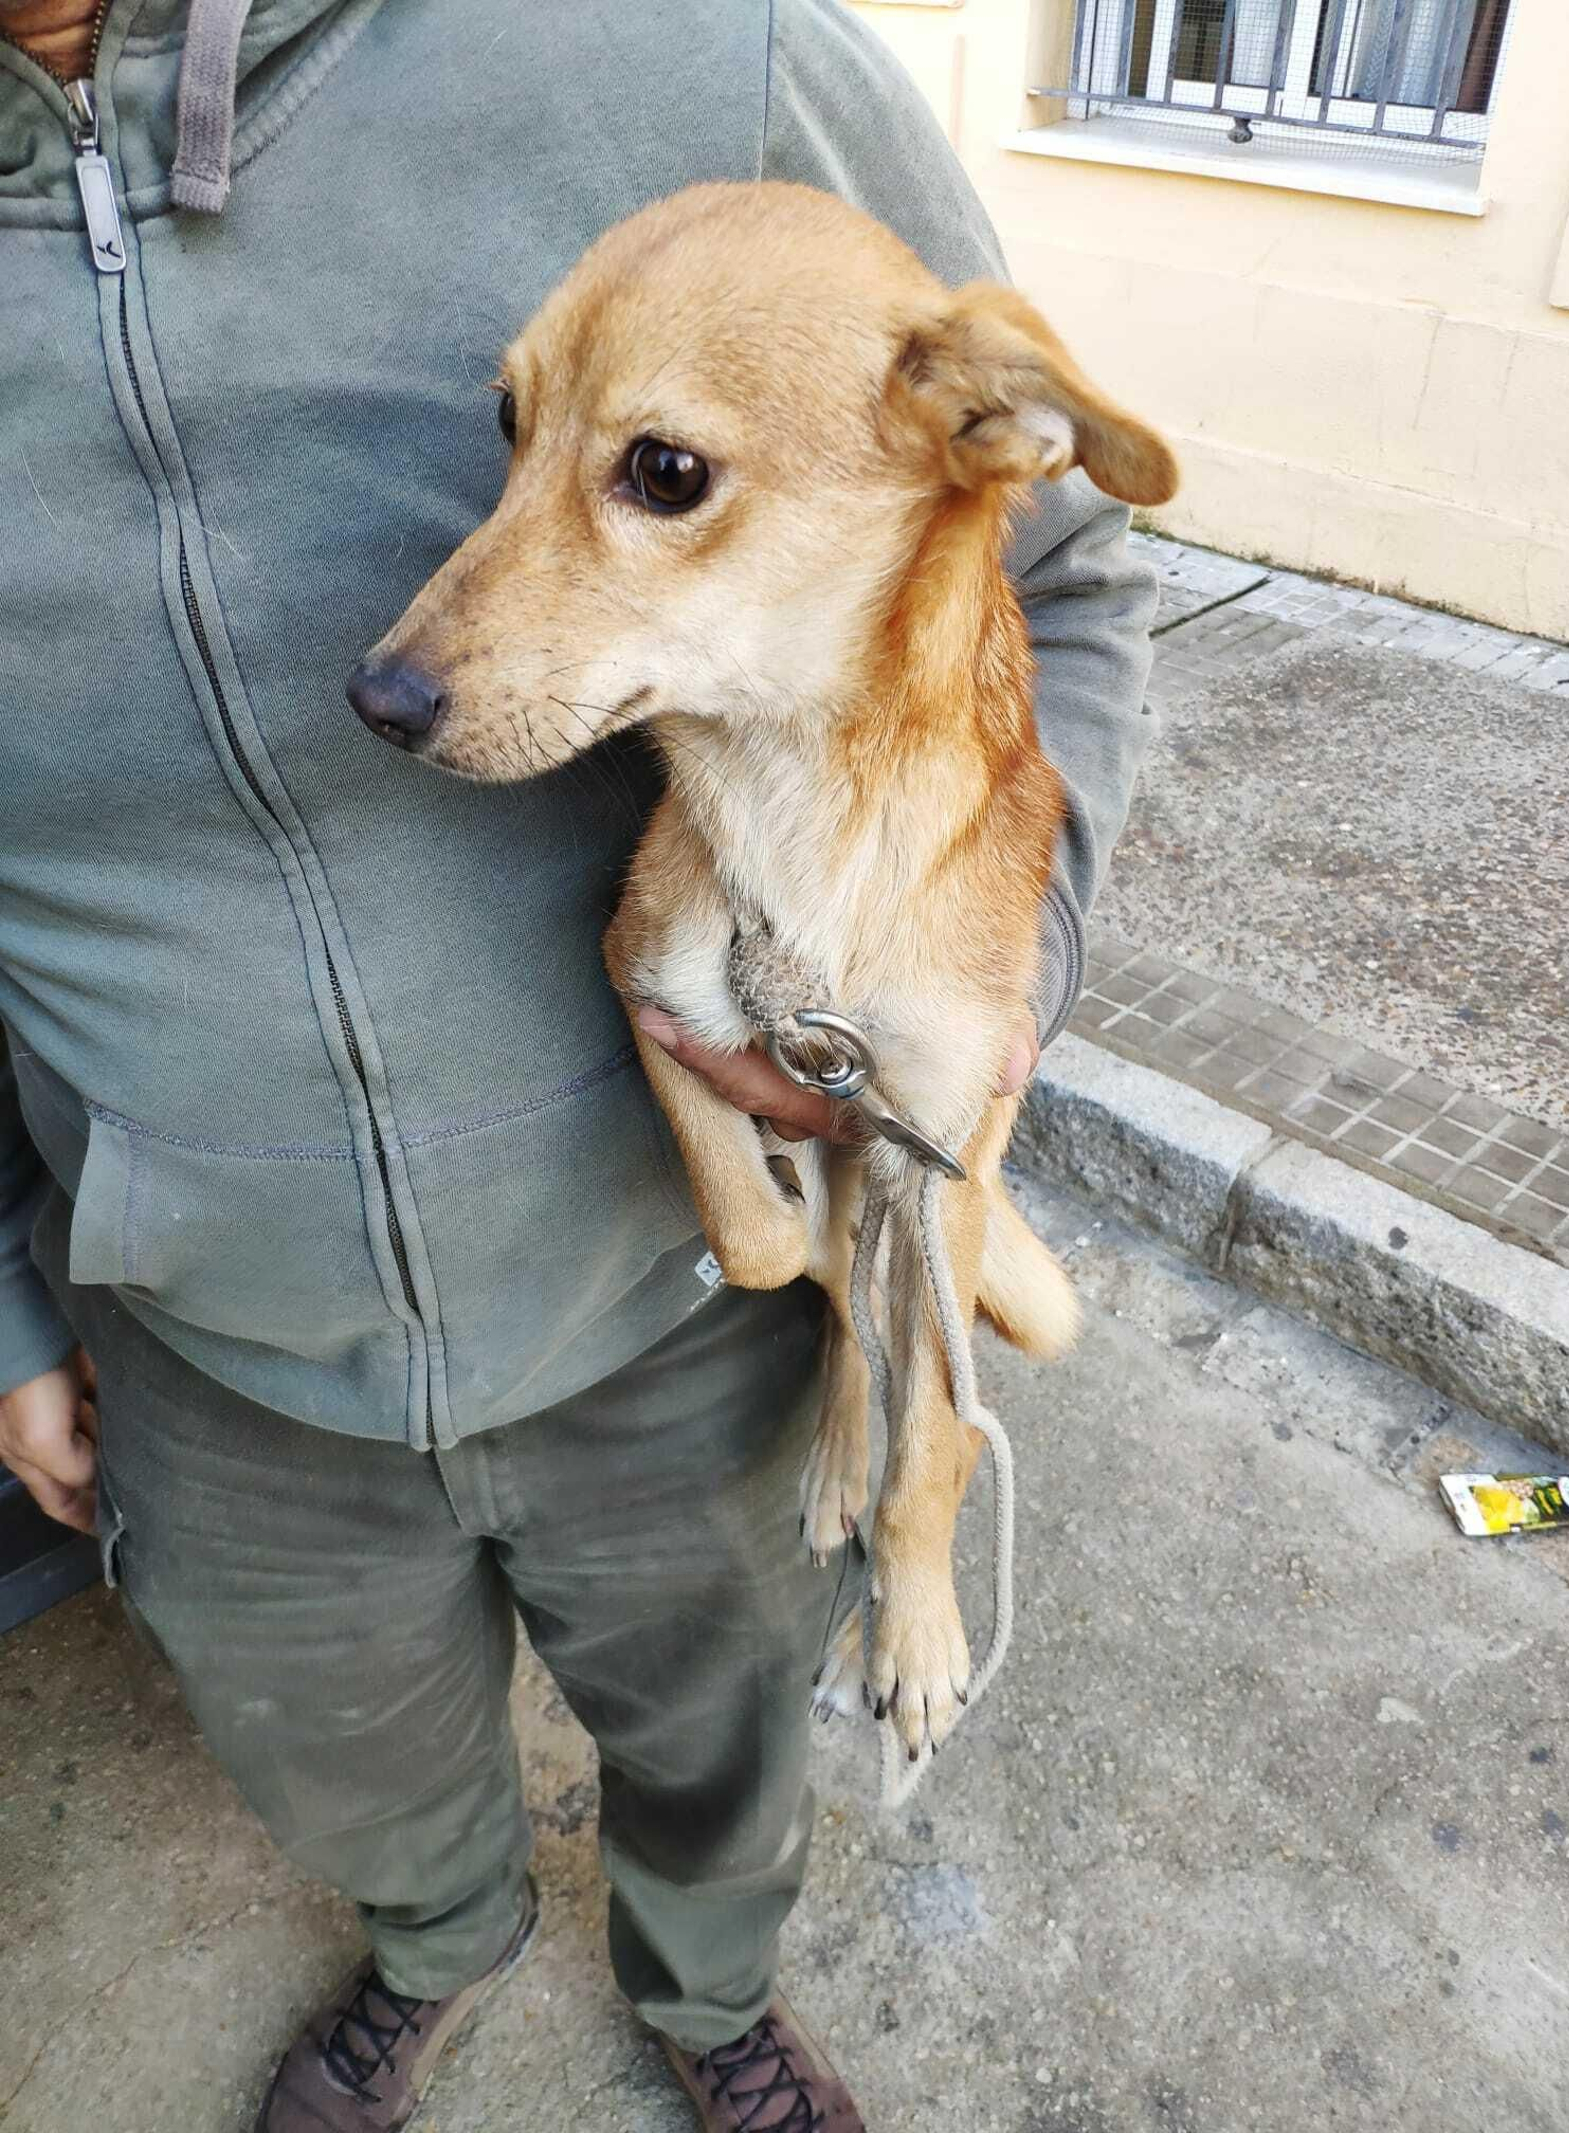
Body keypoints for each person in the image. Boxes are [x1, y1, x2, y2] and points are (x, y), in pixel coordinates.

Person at [0, 1, 1157, 2125]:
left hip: (661, 1302)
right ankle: (433, 1946)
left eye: (654, 473)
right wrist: (7, 1292)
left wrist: (996, 981)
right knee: (334, 1751)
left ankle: (711, 2001)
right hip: (201, 1328)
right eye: (523, 429)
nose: (424, 648)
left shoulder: (703, 47)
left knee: (724, 1741)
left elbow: (1062, 578)